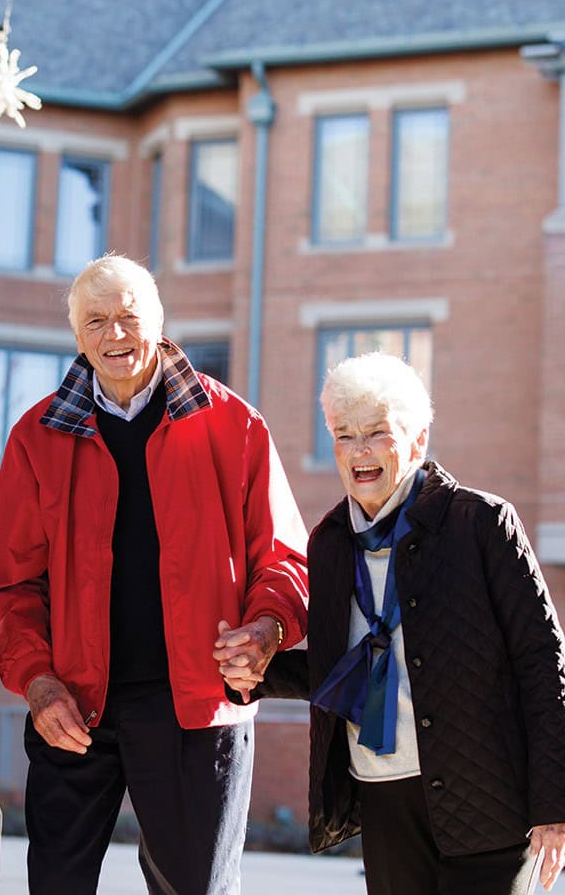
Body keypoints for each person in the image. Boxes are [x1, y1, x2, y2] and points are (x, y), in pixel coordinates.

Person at [0, 254, 309, 894]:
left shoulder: (232, 424)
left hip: (197, 710)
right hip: (72, 707)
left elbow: (283, 559)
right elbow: (8, 588)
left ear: (157, 322)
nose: (114, 335)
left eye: (129, 317)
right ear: (77, 336)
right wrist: (37, 681)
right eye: (95, 321)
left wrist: (268, 629)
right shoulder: (35, 437)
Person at [216, 351, 565, 895]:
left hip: (486, 794)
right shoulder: (330, 543)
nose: (359, 453)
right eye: (343, 435)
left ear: (418, 440)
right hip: (382, 798)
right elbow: (343, 667)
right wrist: (253, 671)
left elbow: (543, 662)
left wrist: (554, 802)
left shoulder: (482, 523)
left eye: (377, 433)